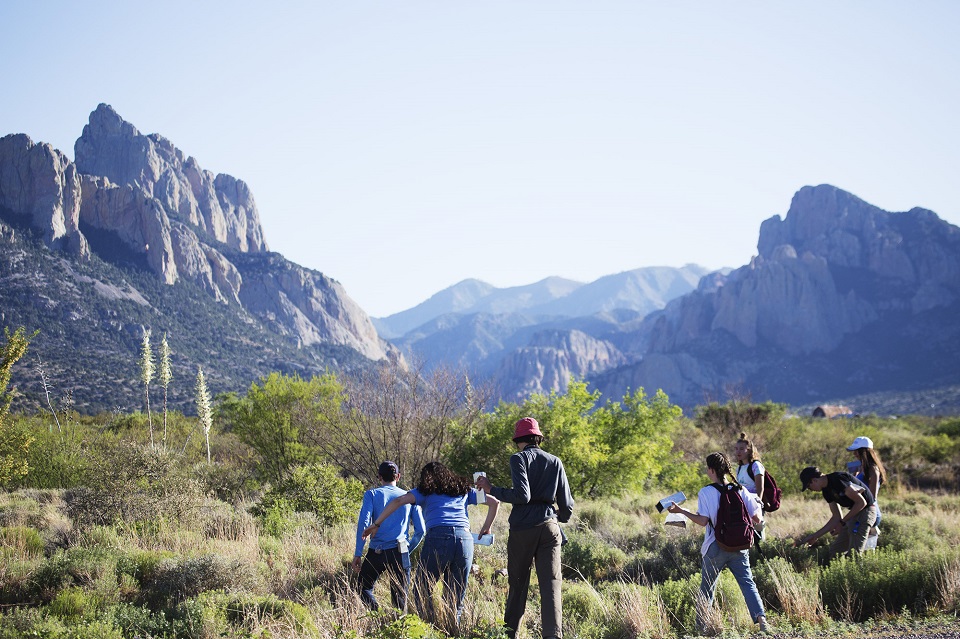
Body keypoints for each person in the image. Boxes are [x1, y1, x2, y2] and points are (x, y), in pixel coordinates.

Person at [363, 461, 499, 627]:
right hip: (465, 540)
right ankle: (451, 631)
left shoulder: (425, 492)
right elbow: (494, 503)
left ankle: (428, 628)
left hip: (438, 538)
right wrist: (486, 527)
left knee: (422, 590)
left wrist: (376, 524)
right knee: (455, 598)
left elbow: (399, 501)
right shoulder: (463, 490)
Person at [476, 417, 574, 639]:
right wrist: (557, 516)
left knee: (518, 583)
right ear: (537, 437)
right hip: (550, 528)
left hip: (523, 529)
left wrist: (491, 488)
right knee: (551, 585)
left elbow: (522, 495)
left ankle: (509, 634)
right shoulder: (555, 461)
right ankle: (552, 636)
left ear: (517, 438)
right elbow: (567, 505)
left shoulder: (518, 459)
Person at [667, 452, 771, 634]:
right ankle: (762, 622)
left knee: (707, 588)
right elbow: (756, 518)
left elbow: (703, 521)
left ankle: (702, 628)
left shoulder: (706, 492)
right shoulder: (740, 489)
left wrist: (681, 510)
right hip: (740, 546)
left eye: (708, 468)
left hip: (715, 546)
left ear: (712, 470)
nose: (707, 471)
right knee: (747, 583)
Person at [353, 461, 426, 611]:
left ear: (380, 477)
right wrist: (407, 551)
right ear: (398, 476)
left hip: (376, 552)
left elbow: (363, 524)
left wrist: (358, 553)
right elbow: (420, 531)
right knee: (400, 599)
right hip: (400, 551)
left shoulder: (372, 494)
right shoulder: (410, 497)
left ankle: (377, 615)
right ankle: (399, 629)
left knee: (362, 587)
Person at [793, 465, 878, 556]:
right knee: (835, 552)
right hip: (854, 514)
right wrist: (815, 536)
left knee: (854, 554)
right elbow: (836, 517)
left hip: (866, 512)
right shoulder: (826, 492)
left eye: (809, 486)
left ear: (814, 480)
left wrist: (842, 523)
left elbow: (861, 503)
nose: (810, 490)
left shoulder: (837, 479)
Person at [847, 436, 886, 538]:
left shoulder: (873, 469)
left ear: (865, 451)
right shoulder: (862, 467)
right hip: (861, 511)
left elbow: (872, 497)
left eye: (857, 451)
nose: (854, 454)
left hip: (869, 513)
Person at [734, 433, 766, 537]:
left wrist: (758, 503)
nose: (738, 451)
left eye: (742, 449)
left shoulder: (756, 466)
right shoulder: (739, 468)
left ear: (749, 450)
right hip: (743, 504)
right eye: (736, 449)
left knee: (758, 531)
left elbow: (760, 487)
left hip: (754, 503)